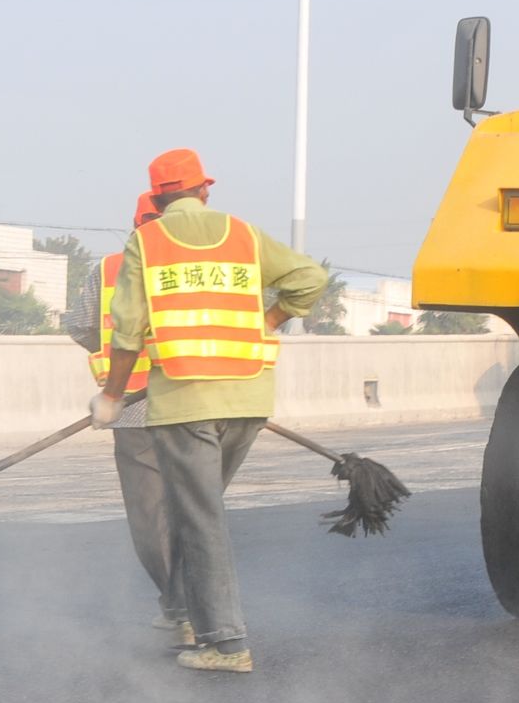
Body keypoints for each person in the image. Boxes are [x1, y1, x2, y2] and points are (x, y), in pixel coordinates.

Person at [92, 149, 329, 673]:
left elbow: (126, 330)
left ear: (156, 198)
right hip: (249, 398)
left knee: (200, 519)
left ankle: (226, 643)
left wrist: (110, 397)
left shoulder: (146, 241)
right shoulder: (243, 235)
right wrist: (269, 318)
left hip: (184, 401)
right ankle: (179, 608)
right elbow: (310, 277)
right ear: (204, 190)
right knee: (195, 509)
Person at [64, 195, 184, 641]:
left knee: (151, 514)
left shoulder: (111, 267)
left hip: (134, 410)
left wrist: (115, 379)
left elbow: (79, 326)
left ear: (135, 225)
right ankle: (203, 607)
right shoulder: (201, 266)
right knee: (197, 510)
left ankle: (178, 606)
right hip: (196, 408)